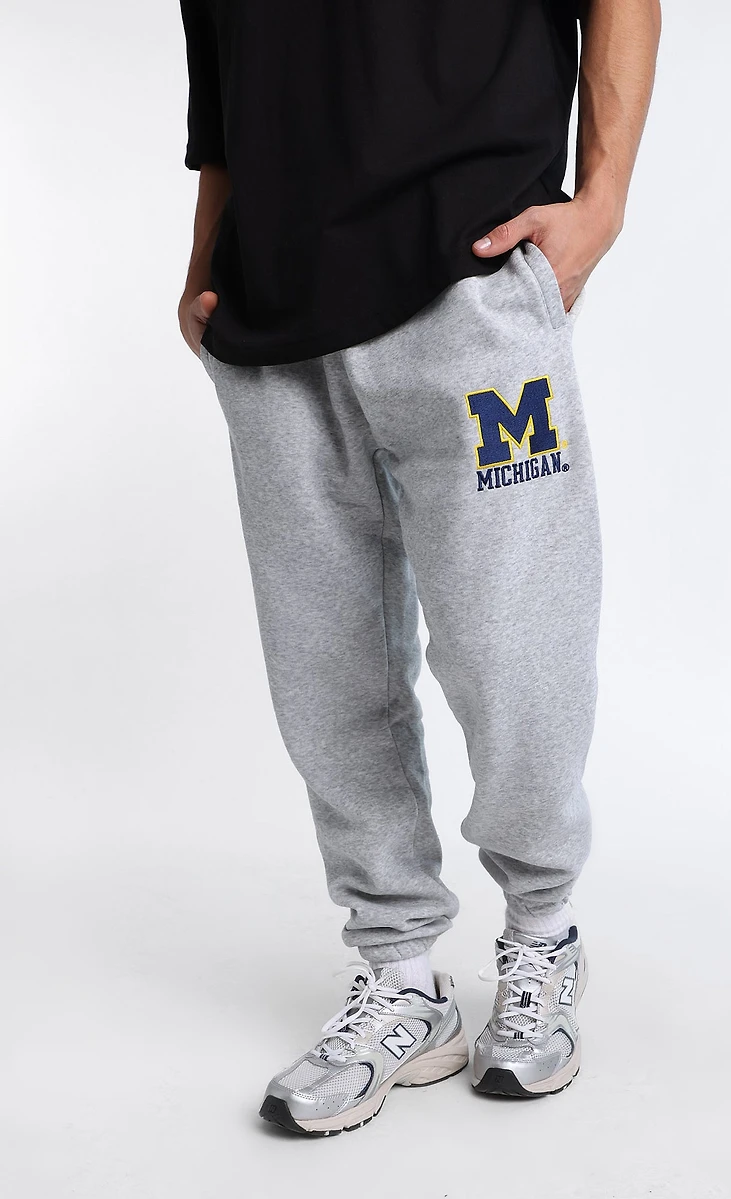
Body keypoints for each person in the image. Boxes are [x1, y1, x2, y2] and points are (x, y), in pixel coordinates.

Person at [178, 0, 660, 1137]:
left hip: (471, 275)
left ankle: (542, 933)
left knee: (512, 640)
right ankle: (401, 977)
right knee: (325, 671)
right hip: (271, 312)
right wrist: (204, 261)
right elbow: (225, 79)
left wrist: (600, 205)